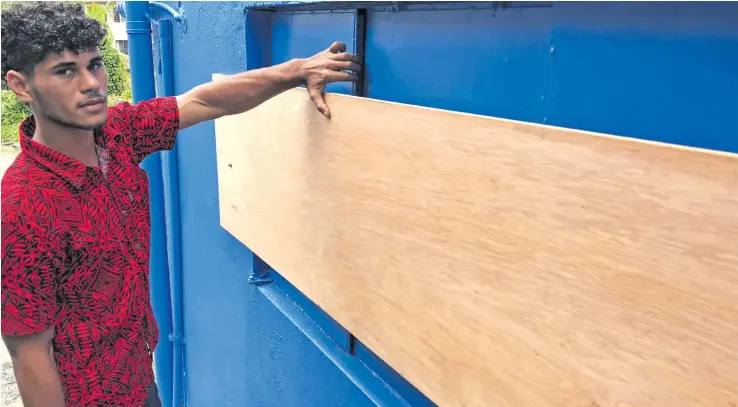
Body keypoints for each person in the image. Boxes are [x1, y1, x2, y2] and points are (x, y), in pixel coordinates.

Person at [0, 2, 361, 406]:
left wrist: (296, 70)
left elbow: (204, 102)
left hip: (140, 379)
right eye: (65, 71)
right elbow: (29, 352)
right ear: (21, 85)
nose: (91, 83)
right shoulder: (23, 205)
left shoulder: (116, 137)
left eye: (95, 64)